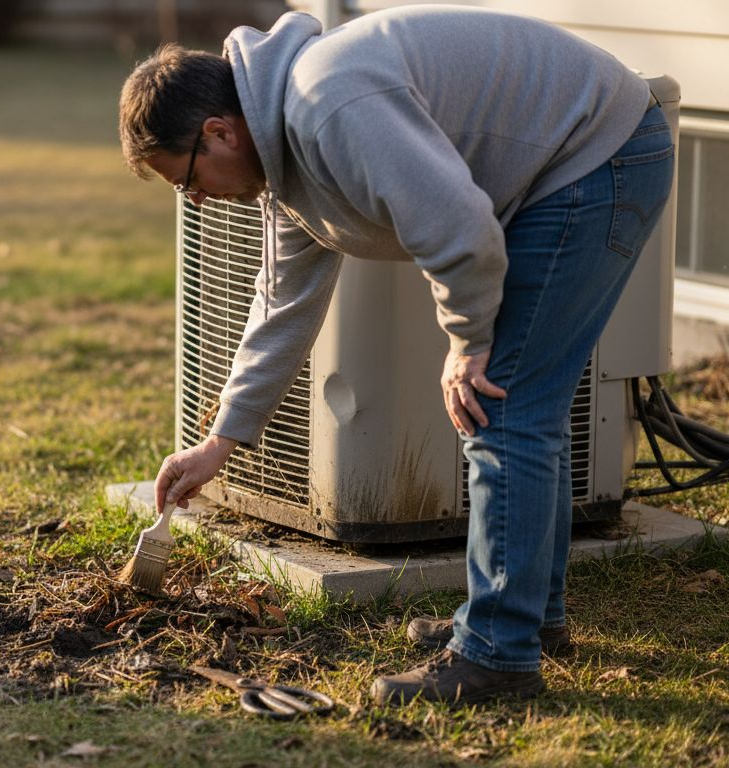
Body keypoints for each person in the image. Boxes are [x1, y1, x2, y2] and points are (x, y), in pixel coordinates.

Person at [117, 6, 674, 704]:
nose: (195, 201)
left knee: (499, 404)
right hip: (577, 161)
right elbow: (281, 306)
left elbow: (460, 228)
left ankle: (500, 655)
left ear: (219, 131)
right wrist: (217, 446)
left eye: (186, 180)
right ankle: (528, 621)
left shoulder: (329, 107)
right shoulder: (284, 158)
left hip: (598, 154)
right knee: (521, 404)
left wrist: (468, 343)